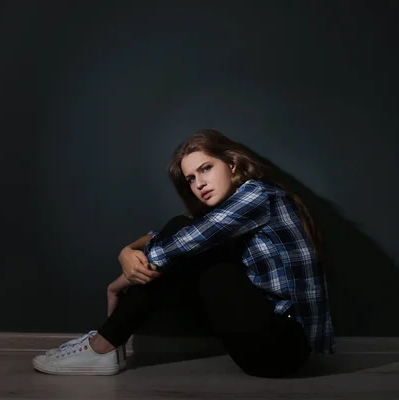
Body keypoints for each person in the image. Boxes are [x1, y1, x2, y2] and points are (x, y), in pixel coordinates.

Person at [32, 129, 335, 378]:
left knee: (187, 245)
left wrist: (117, 284)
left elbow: (182, 242)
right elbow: (177, 235)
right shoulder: (233, 210)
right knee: (185, 235)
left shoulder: (257, 195)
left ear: (230, 164)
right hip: (265, 345)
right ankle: (105, 345)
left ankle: (103, 346)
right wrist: (126, 251)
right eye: (190, 178)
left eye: (206, 168)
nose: (199, 183)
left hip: (281, 349)